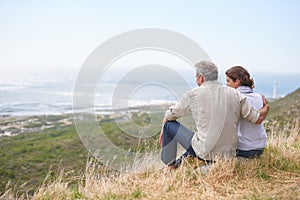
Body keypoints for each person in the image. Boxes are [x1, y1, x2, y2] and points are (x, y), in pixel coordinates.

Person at [159, 61, 269, 168]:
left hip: (204, 153)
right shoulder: (235, 94)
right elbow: (255, 118)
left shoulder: (193, 94)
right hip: (228, 154)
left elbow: (171, 114)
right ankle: (179, 163)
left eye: (196, 77)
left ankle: (170, 165)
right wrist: (265, 108)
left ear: (201, 78)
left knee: (169, 126)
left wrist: (164, 125)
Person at [225, 66, 267, 158]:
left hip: (244, 149)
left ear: (237, 82)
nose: (226, 85)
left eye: (228, 81)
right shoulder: (259, 97)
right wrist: (266, 108)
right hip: (260, 147)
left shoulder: (235, 98)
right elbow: (258, 117)